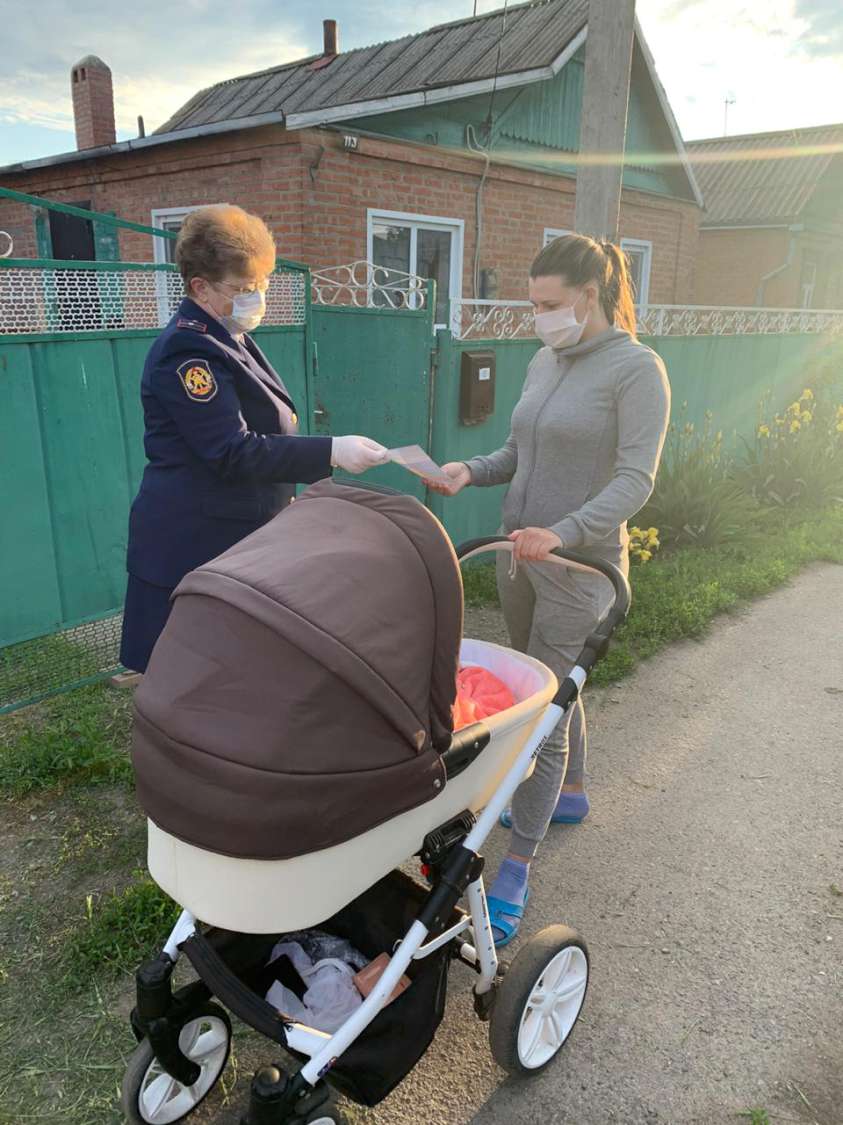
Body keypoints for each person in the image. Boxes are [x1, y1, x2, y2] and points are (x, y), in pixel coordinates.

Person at [427, 234, 670, 945]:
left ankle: (517, 866)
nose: (538, 316)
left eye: (548, 304)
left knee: (542, 714)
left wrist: (563, 532)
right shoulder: (544, 360)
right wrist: (469, 470)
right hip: (519, 559)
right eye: (533, 304)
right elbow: (519, 450)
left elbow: (636, 480)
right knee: (558, 684)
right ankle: (569, 795)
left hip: (579, 570)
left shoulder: (637, 370)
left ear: (589, 296)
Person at [120, 205, 387, 673]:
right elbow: (231, 450)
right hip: (194, 545)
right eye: (244, 289)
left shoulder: (228, 334)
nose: (257, 297)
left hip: (235, 539)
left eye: (263, 283)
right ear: (200, 287)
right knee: (190, 679)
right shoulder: (188, 351)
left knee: (236, 677)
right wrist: (332, 451)